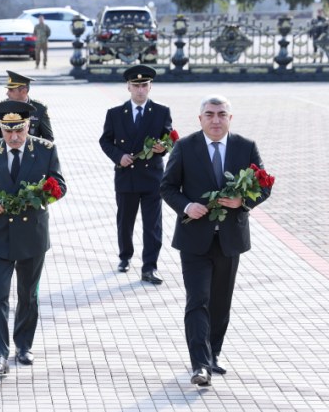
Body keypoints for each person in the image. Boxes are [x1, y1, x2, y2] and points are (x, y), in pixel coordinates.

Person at [160, 94, 271, 386]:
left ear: (230, 118)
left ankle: (213, 354)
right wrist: (186, 206)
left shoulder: (245, 147)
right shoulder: (185, 147)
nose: (216, 120)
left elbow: (264, 186)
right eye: (209, 114)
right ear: (200, 119)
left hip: (230, 240)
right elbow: (168, 186)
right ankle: (200, 364)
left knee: (221, 302)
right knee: (198, 300)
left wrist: (242, 202)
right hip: (194, 239)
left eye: (221, 114)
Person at [0, 101, 67, 375]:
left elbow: (60, 184)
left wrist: (45, 194)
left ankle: (23, 345)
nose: (14, 137)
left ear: (27, 126)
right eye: (7, 131)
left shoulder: (45, 150)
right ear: (0, 128)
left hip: (31, 235)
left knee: (27, 295)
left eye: (19, 130)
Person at [99, 65, 173, 284]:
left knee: (153, 225)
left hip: (152, 178)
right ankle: (125, 256)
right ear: (128, 87)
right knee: (125, 221)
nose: (140, 90)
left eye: (144, 85)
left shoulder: (161, 111)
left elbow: (168, 137)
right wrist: (118, 156)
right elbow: (105, 140)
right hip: (126, 176)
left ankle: (150, 267)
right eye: (136, 86)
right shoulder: (115, 113)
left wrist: (163, 148)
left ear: (150, 87)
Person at [0, 71, 53, 142]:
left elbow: (48, 138)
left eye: (11, 90)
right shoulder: (2, 107)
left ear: (23, 91)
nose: (7, 93)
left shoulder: (40, 109)